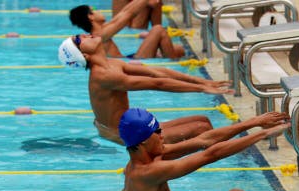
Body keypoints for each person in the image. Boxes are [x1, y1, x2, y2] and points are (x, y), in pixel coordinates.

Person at [119, 107, 290, 191]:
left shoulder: (143, 159)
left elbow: (205, 140)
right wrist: (264, 134)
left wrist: (254, 122)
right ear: (143, 142)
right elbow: (211, 155)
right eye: (157, 132)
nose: (162, 135)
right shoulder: (148, 172)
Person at [58, 34, 231, 145]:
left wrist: (203, 82)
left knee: (203, 120)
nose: (87, 35)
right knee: (201, 129)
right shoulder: (104, 76)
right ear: (84, 55)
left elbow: (157, 72)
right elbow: (157, 84)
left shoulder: (112, 64)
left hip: (128, 127)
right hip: (122, 135)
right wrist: (202, 89)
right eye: (80, 40)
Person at [69, 2, 185, 60]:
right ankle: (172, 64)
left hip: (129, 58)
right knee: (158, 30)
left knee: (179, 49)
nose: (99, 10)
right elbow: (128, 14)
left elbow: (126, 11)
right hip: (130, 63)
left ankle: (169, 59)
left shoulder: (103, 29)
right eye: (94, 10)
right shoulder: (100, 35)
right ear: (91, 17)